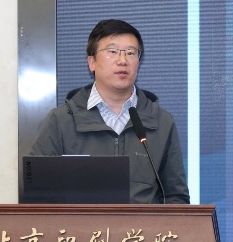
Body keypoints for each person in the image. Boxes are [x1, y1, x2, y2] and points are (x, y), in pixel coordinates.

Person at [29, 19, 189, 204]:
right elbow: (37, 196)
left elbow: (176, 198)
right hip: (81, 223)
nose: (122, 61)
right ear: (92, 62)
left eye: (130, 53)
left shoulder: (162, 122)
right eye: (112, 52)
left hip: (141, 224)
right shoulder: (61, 120)